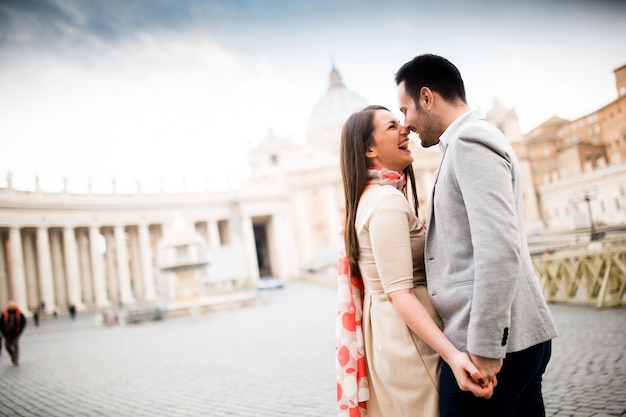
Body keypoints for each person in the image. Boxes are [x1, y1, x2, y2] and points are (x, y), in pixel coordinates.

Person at [394, 54, 559, 417]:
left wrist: (486, 347)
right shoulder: (470, 140)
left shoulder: (469, 143)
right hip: (514, 341)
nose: (405, 124)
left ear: (427, 97)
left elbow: (499, 249)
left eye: (405, 109)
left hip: (492, 347)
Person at [336, 105, 494, 417]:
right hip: (412, 345)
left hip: (392, 337)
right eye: (392, 126)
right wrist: (453, 355)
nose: (405, 128)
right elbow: (399, 293)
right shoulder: (387, 202)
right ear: (368, 149)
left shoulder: (368, 198)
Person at [0, 300, 27, 366]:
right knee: (7, 346)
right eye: (10, 306)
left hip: (16, 333)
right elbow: (1, 324)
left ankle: (16, 359)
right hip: (7, 333)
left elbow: (23, 322)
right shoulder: (5, 314)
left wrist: (20, 331)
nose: (12, 307)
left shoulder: (19, 313)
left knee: (15, 345)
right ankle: (13, 356)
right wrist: (3, 332)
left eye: (13, 306)